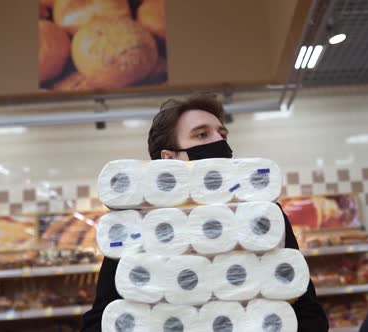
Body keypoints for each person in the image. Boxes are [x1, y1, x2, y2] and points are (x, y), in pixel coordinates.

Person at [81, 94, 329, 332]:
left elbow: (308, 312)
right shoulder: (139, 225)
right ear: (168, 159)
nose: (218, 142)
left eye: (222, 134)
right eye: (201, 134)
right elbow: (100, 321)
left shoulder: (263, 215)